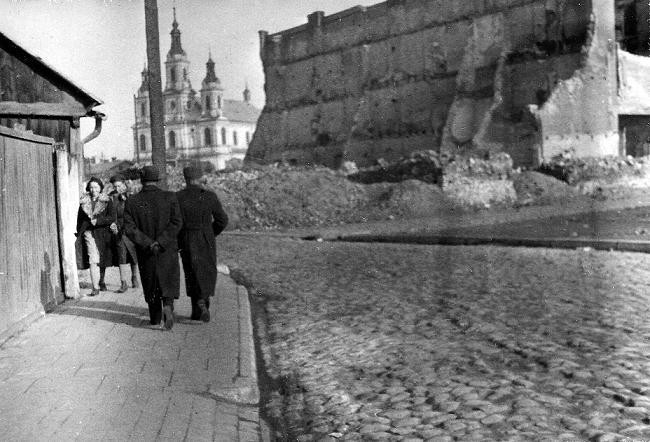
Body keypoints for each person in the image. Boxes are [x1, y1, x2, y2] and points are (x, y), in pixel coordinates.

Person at [123, 166, 183, 329]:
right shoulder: (170, 197)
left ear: (142, 181)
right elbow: (177, 222)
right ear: (157, 180)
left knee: (150, 280)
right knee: (168, 279)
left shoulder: (132, 201)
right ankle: (168, 307)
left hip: (146, 250)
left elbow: (129, 228)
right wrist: (161, 241)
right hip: (167, 248)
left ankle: (155, 317)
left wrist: (149, 243)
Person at [176, 166, 229, 322]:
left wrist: (179, 239)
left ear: (185, 179)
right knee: (207, 270)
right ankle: (203, 302)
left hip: (187, 238)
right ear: (199, 179)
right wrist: (211, 232)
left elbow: (176, 222)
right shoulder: (210, 196)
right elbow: (222, 220)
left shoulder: (178, 197)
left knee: (191, 271)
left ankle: (196, 310)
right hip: (206, 238)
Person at [75, 177, 113, 297]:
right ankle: (95, 287)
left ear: (100, 188)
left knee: (102, 259)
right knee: (93, 259)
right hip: (89, 233)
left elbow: (112, 217)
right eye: (91, 187)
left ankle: (101, 281)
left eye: (96, 187)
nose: (93, 190)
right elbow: (79, 219)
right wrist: (80, 231)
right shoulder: (84, 201)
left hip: (103, 233)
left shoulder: (106, 201)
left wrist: (99, 221)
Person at [104, 174, 139, 293]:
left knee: (133, 253)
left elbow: (134, 213)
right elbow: (109, 213)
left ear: (124, 185)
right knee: (121, 255)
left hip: (129, 229)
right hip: (117, 230)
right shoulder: (110, 197)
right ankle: (123, 282)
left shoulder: (130, 196)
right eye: (115, 186)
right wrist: (112, 224)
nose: (117, 189)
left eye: (119, 186)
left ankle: (134, 277)